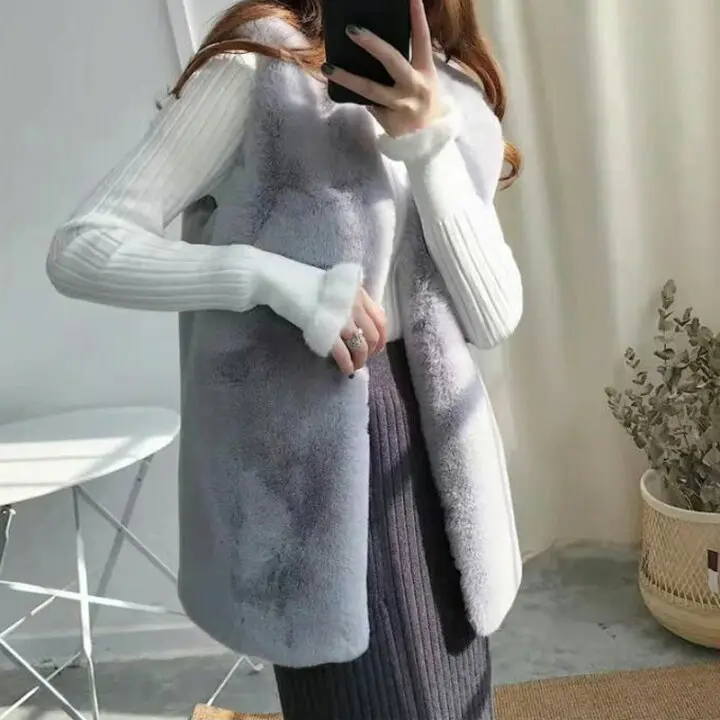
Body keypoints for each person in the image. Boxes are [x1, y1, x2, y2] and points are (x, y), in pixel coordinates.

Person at [46, 0, 524, 717]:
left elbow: (492, 315)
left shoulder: (450, 92)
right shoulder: (260, 72)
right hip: (310, 468)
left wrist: (427, 145)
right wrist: (272, 280)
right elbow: (84, 246)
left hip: (441, 460)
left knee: (458, 698)